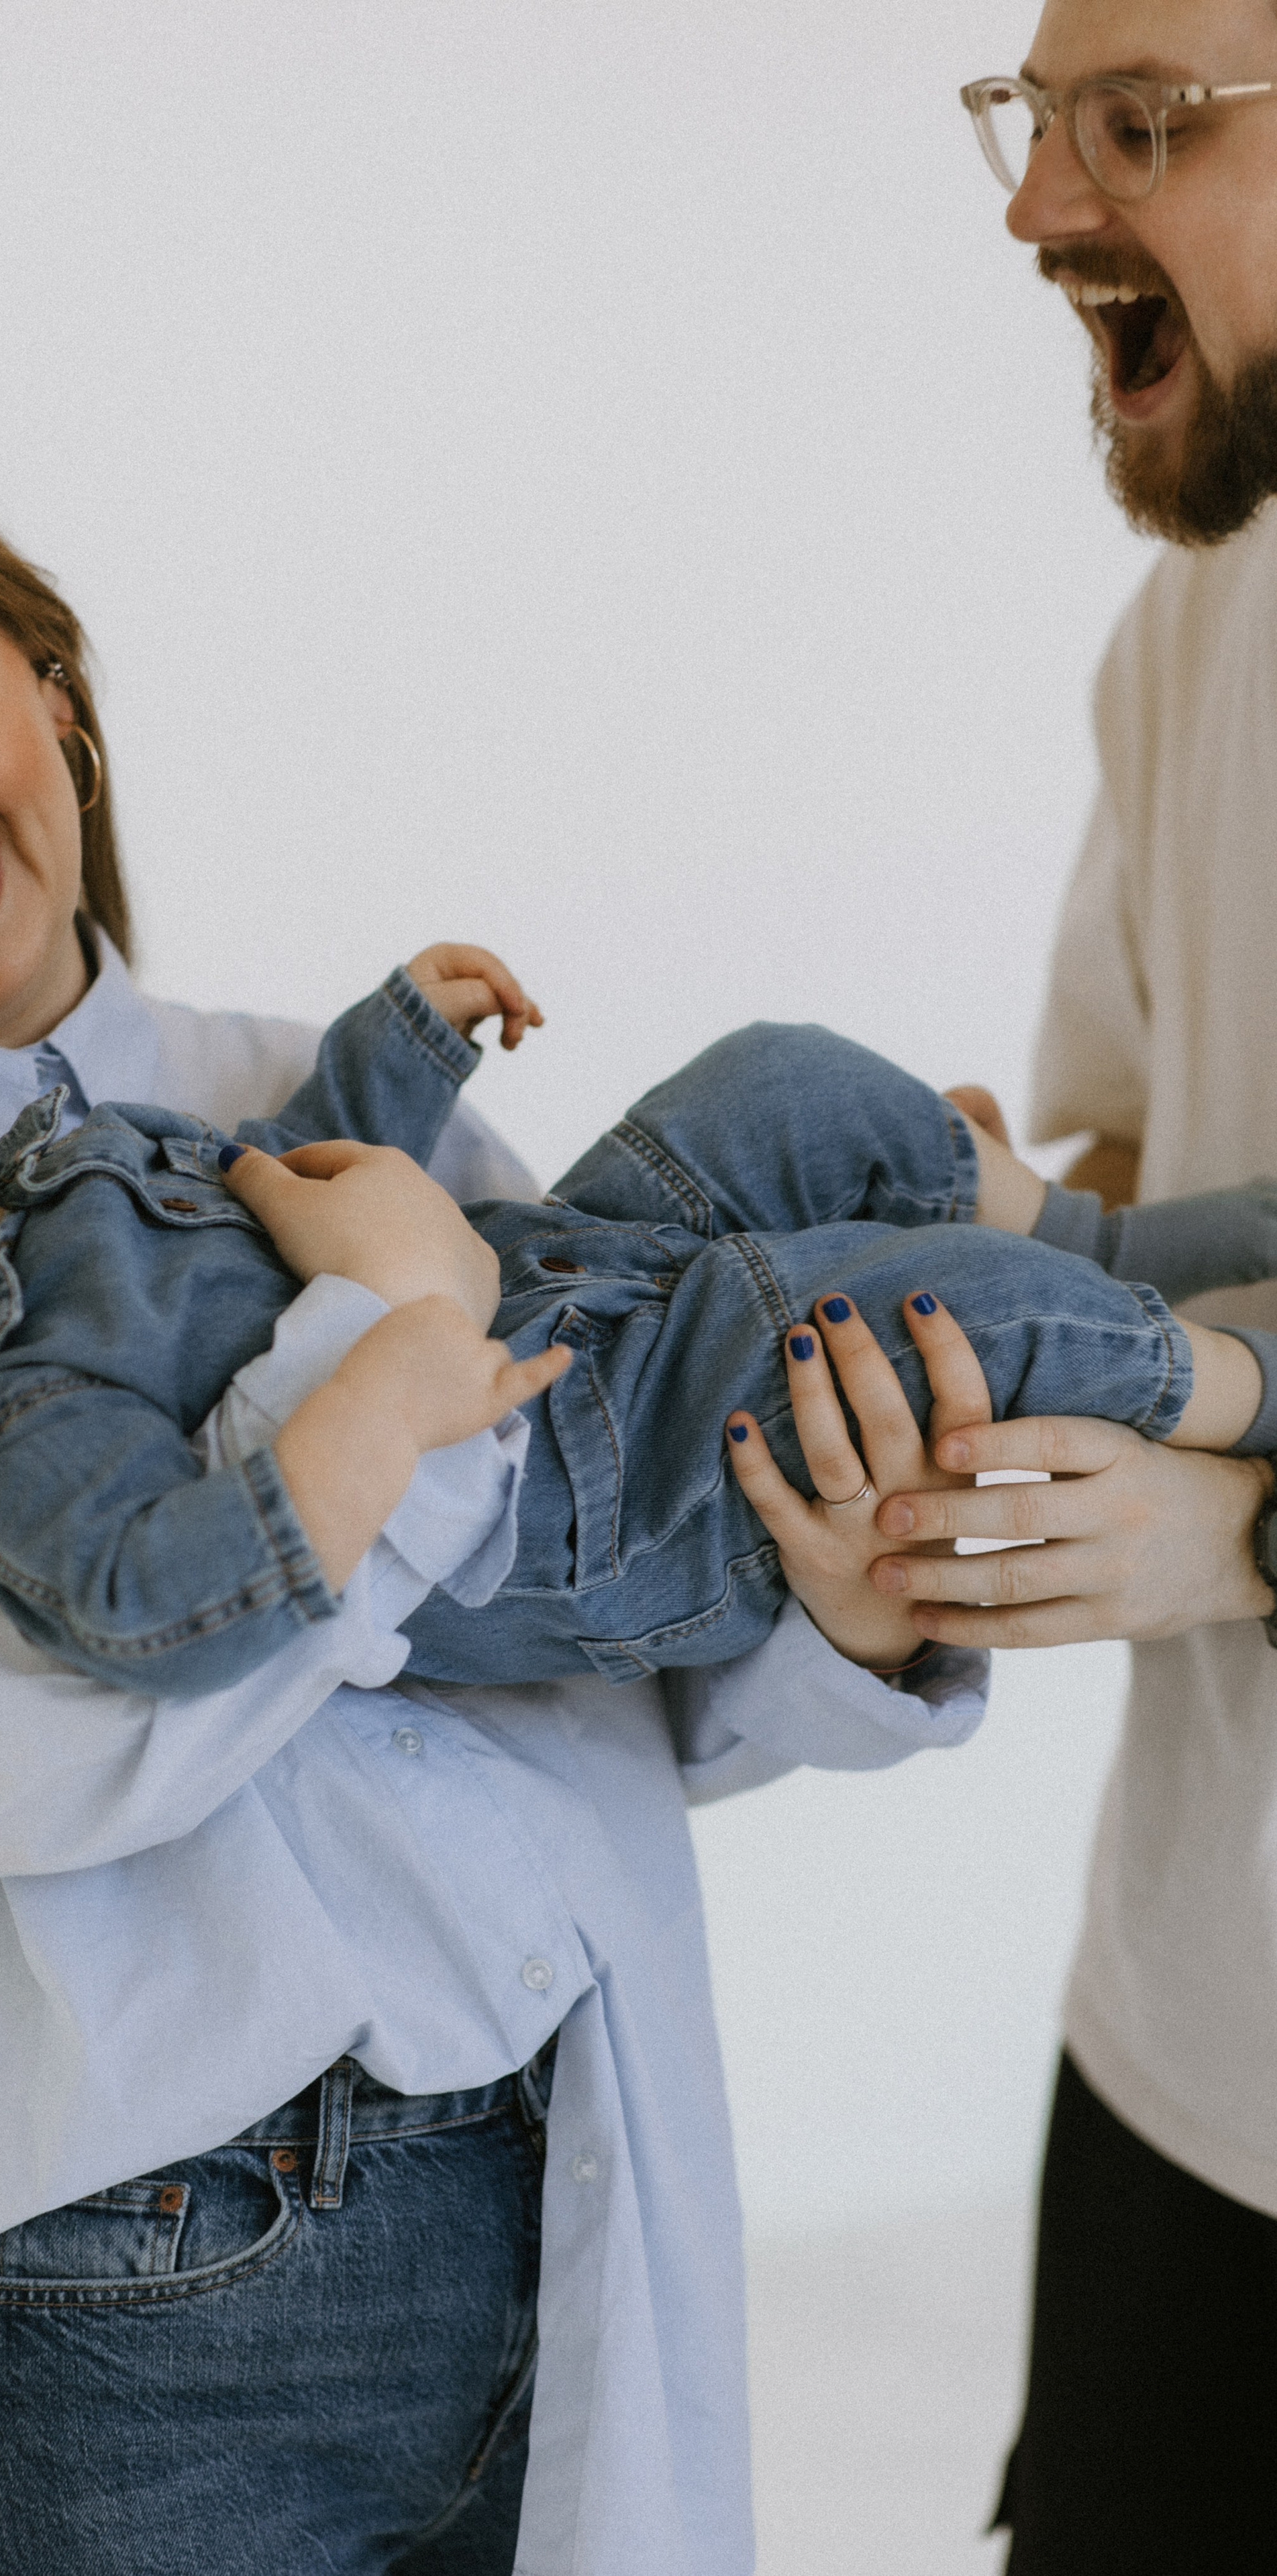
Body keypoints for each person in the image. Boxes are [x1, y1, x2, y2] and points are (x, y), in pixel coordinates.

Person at [0, 416, 994, 2576]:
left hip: (543, 2178)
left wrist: (858, 1620)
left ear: (52, 684)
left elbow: (595, 1634)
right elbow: (54, 1739)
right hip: (122, 2334)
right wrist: (387, 1337)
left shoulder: (303, 1103)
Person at [0, 975, 1277, 1691]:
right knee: (900, 1312)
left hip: (557, 1280)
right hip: (598, 1489)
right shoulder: (31, 1423)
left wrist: (400, 1047)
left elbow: (311, 1177)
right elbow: (163, 1610)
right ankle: (1243, 1388)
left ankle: (1112, 1239)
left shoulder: (48, 1179)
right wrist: (382, 1387)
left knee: (783, 1086)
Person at [862, 5, 1277, 2563]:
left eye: (1146, 123)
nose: (1037, 209)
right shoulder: (1195, 627)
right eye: (1037, 121)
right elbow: (1142, 1148)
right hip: (1194, 2046)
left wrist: (1231, 1532)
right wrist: (962, 1301)